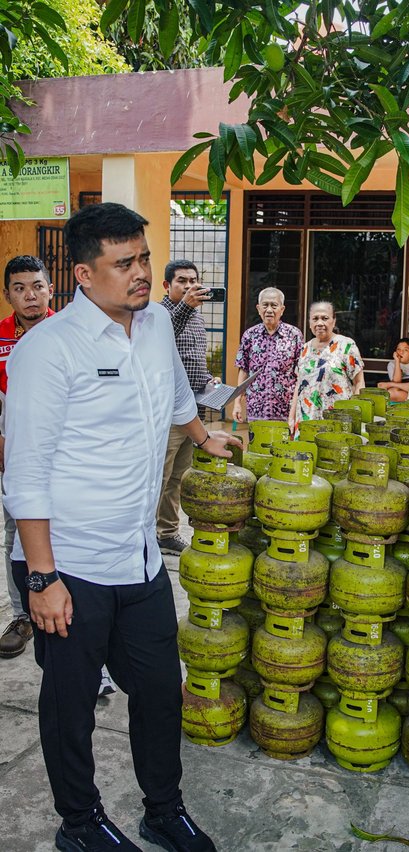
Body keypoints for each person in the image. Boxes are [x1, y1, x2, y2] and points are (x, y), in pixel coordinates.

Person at [4, 202, 239, 852]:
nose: (141, 272)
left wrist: (203, 436)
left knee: (162, 689)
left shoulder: (158, 322)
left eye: (142, 256)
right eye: (124, 263)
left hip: (137, 558)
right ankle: (79, 824)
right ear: (82, 274)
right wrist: (42, 576)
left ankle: (164, 810)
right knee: (73, 701)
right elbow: (24, 475)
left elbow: (174, 397)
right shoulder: (46, 351)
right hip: (69, 563)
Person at [0, 255, 54, 659]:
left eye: (37, 285)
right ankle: (22, 615)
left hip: (59, 456)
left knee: (61, 534)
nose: (30, 295)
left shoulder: (66, 332)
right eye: (19, 288)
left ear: (50, 289)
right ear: (7, 296)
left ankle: (65, 606)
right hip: (11, 455)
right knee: (14, 534)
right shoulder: (0, 336)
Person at [156, 260, 214, 556]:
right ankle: (144, 534)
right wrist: (187, 306)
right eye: (182, 281)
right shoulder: (158, 315)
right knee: (158, 476)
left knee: (178, 477)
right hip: (167, 413)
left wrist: (208, 381)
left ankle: (166, 533)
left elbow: (191, 361)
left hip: (193, 411)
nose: (190, 286)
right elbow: (162, 340)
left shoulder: (197, 319)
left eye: (194, 280)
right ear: (167, 285)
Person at [289, 300, 365, 433]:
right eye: (315, 318)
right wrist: (291, 417)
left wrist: (354, 414)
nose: (319, 323)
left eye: (325, 318)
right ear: (309, 322)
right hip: (306, 420)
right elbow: (298, 385)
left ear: (334, 321)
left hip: (337, 421)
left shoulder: (346, 345)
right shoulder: (304, 349)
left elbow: (359, 383)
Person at [232, 287, 303, 422]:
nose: (269, 310)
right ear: (258, 309)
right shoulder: (250, 335)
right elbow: (243, 370)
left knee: (285, 443)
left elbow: (301, 372)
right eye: (265, 305)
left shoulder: (294, 334)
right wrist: (237, 403)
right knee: (257, 442)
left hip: (285, 410)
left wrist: (296, 409)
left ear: (282, 309)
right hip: (256, 408)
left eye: (274, 305)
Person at [377, 337, 409, 402]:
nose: (401, 352)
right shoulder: (392, 364)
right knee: (391, 392)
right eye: (398, 349)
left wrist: (389, 384)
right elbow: (397, 381)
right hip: (403, 393)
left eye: (405, 350)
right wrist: (397, 362)